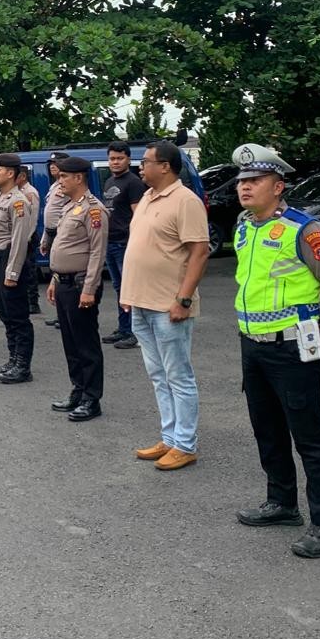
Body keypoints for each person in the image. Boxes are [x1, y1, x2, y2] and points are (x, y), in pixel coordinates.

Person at [229, 143, 320, 559]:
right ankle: (281, 503)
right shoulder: (245, 227)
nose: (245, 187)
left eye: (255, 180)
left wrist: (316, 337)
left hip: (293, 350)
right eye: (242, 181)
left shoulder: (306, 230)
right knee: (267, 429)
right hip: (253, 346)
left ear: (278, 186)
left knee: (309, 437)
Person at [120, 140, 209, 471]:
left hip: (169, 305)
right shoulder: (147, 196)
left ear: (166, 167)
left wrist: (183, 299)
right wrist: (129, 293)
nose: (140, 167)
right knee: (158, 374)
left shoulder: (185, 201)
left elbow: (199, 251)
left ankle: (185, 444)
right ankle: (170, 438)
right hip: (141, 303)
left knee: (178, 375)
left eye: (146, 162)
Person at [46, 156, 109, 421]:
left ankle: (92, 399)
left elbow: (97, 252)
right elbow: (62, 246)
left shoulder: (93, 210)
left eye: (63, 177)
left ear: (78, 178)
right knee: (70, 343)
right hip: (63, 282)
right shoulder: (71, 207)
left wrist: (89, 289)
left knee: (86, 345)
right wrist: (53, 279)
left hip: (81, 284)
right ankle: (78, 390)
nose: (59, 181)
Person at [0, 154, 38, 384]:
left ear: (10, 174)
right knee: (4, 313)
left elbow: (19, 241)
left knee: (18, 316)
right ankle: (13, 358)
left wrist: (12, 272)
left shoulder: (19, 201)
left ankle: (22, 366)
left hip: (9, 258)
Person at [101, 140, 146, 350]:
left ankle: (134, 333)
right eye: (112, 158)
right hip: (110, 241)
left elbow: (139, 215)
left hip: (124, 242)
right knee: (119, 288)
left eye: (120, 158)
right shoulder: (109, 181)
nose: (115, 162)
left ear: (128, 159)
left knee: (129, 289)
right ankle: (123, 328)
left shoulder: (134, 182)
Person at [40, 152, 71, 327]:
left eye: (56, 163)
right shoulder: (54, 186)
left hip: (62, 233)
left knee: (62, 274)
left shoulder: (67, 186)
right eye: (51, 163)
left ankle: (66, 314)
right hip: (52, 233)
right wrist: (45, 237)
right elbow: (49, 215)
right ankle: (61, 312)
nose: (52, 165)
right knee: (55, 274)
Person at [15, 166, 43, 315]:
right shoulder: (18, 192)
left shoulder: (30, 192)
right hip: (20, 235)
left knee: (29, 269)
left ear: (23, 176)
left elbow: (33, 218)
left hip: (28, 236)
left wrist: (26, 237)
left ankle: (33, 302)